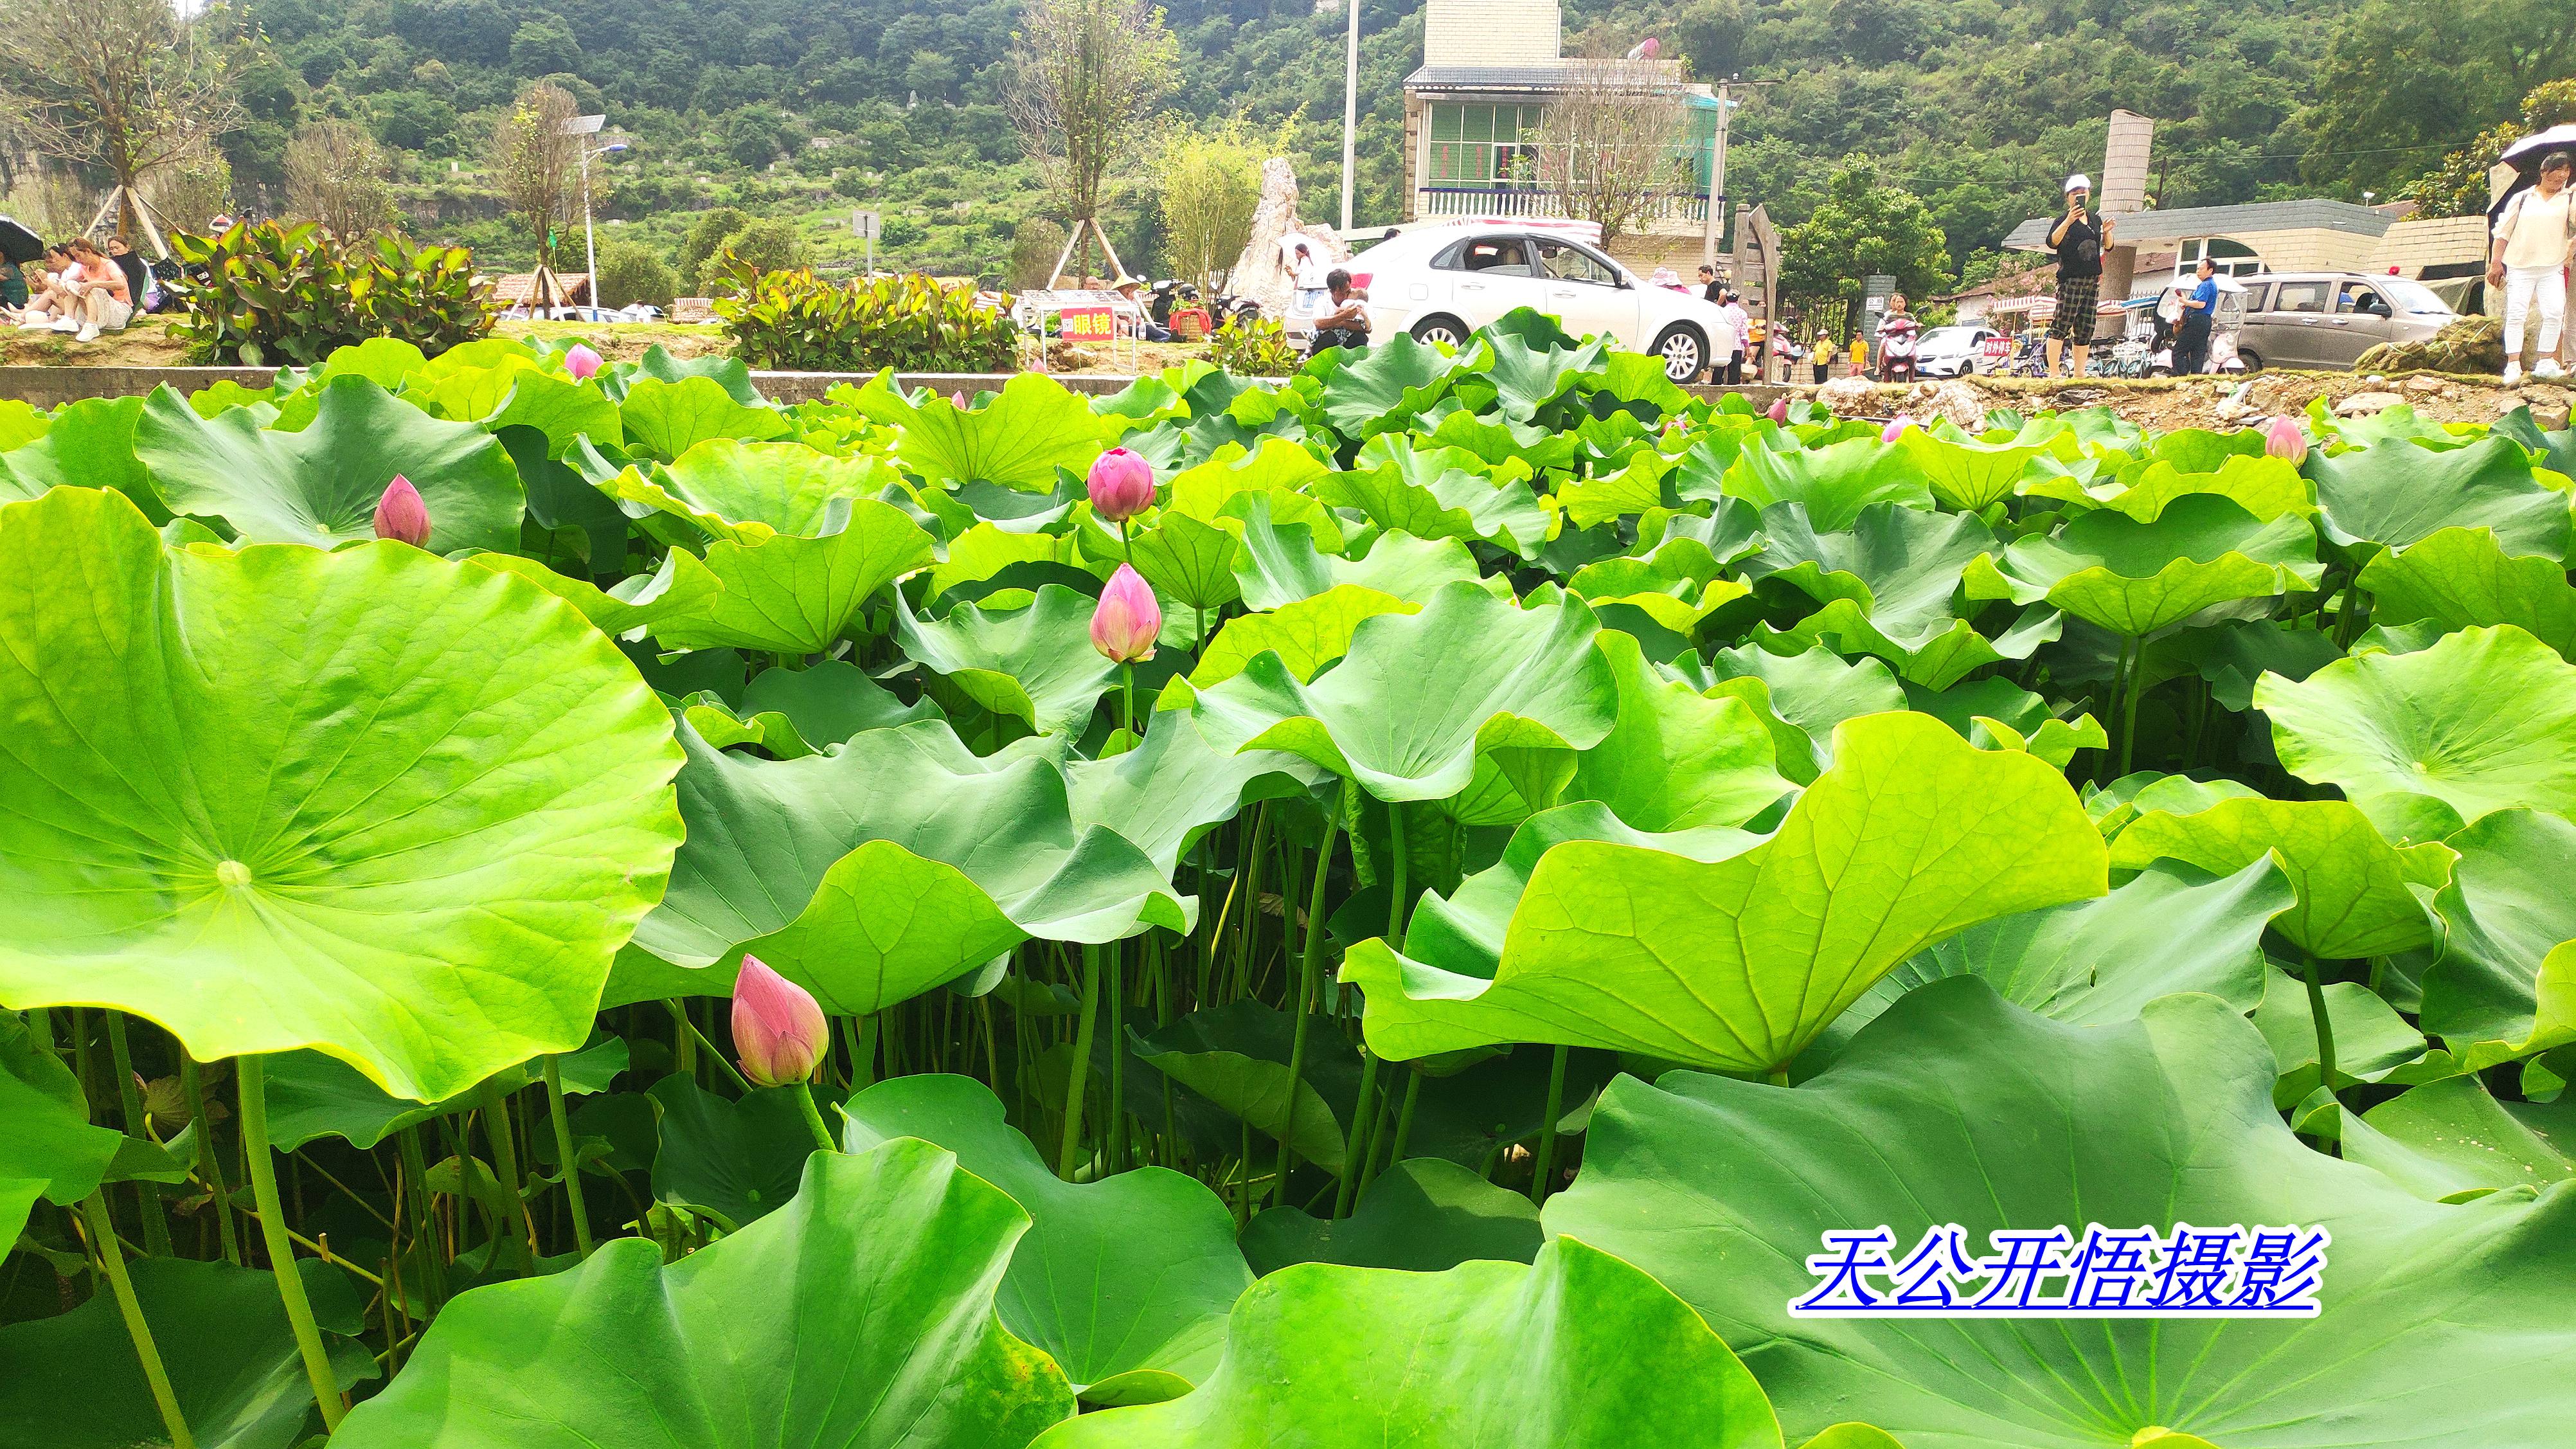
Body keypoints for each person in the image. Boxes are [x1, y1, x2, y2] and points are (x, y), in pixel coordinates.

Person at [2490, 151, 2576, 384]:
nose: (2561, 175)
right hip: (2520, 266)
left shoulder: (2569, 199)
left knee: (2555, 312)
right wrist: (2495, 262)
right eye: (2556, 170)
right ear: (2543, 172)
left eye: (2566, 170)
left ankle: (2546, 361)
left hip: (2552, 265)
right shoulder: (2523, 198)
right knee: (2517, 314)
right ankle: (2513, 364)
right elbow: (2503, 232)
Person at [2046, 174, 2112, 378]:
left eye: (2083, 191)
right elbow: (2052, 242)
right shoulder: (2062, 221)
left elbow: (2108, 247)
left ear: (2089, 194)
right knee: (2062, 325)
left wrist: (2107, 232)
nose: (2079, 195)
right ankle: (2054, 373)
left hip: (2092, 279)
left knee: (2085, 328)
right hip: (2070, 279)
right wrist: (2068, 220)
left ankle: (2080, 373)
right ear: (2068, 197)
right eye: (2075, 192)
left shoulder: (2095, 220)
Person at [61, 238, 131, 340]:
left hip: (119, 310)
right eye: (75, 257)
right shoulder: (84, 269)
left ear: (88, 252)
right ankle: (69, 318)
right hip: (99, 311)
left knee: (95, 288)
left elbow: (121, 285)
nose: (77, 260)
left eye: (78, 255)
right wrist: (64, 284)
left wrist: (94, 284)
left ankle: (91, 325)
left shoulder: (108, 265)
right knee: (71, 284)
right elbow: (69, 282)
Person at [2172, 256, 2219, 376]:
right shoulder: (2211, 285)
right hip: (2205, 321)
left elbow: (2201, 304)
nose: (2198, 271)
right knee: (2197, 353)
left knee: (2179, 351)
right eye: (2197, 269)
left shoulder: (2206, 285)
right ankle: (2196, 377)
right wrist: (2188, 305)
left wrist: (2185, 302)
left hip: (2197, 321)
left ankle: (2181, 376)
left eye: (2201, 269)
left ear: (2210, 270)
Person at [1310, 267, 1370, 353]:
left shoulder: (1356, 298)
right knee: (1328, 337)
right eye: (1344, 293)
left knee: (1359, 337)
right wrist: (1343, 316)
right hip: (1329, 346)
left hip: (1349, 343)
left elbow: (1367, 328)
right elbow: (1318, 323)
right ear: (1333, 291)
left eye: (1348, 291)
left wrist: (1342, 323)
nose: (1347, 295)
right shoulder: (1322, 302)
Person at [1112, 275, 1171, 341]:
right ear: (1120, 289)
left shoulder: (1132, 303)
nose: (1129, 290)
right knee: (1148, 329)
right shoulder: (1116, 303)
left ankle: (1167, 337)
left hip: (1136, 327)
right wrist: (1123, 325)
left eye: (1130, 288)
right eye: (1126, 287)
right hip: (1127, 328)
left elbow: (1138, 318)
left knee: (1150, 328)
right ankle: (1167, 338)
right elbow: (1118, 320)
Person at [1284, 237, 1329, 320]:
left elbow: (1302, 273)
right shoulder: (1301, 261)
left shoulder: (1305, 260)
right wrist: (1291, 272)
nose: (1296, 256)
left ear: (1303, 253)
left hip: (1304, 286)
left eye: (1297, 254)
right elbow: (1295, 278)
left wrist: (1293, 273)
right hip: (1300, 285)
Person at [1717, 289, 1752, 384]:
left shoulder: (1721, 312)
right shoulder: (1742, 313)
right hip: (1736, 346)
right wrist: (1748, 349)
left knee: (1718, 371)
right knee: (1734, 374)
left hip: (1722, 345)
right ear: (1737, 300)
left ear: (1726, 301)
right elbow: (1744, 334)